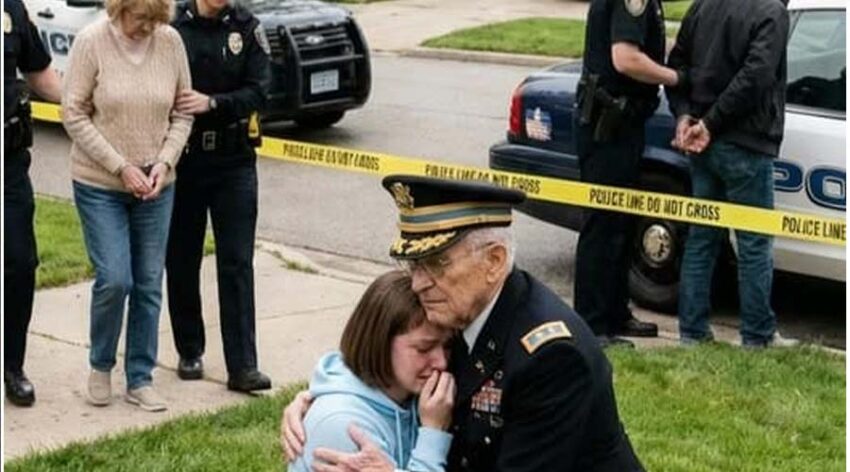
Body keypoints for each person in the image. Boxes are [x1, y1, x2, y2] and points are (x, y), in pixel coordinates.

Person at [284, 175, 644, 471]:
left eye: (437, 264)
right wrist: (326, 400)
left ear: (494, 262)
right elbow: (384, 348)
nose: (418, 283)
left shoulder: (551, 359)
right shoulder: (461, 313)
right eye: (414, 264)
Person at [62, 0, 193, 411]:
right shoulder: (91, 42)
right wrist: (121, 167)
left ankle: (140, 376)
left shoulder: (170, 42)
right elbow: (73, 113)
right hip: (100, 183)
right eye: (140, 18)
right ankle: (100, 365)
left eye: (156, 19)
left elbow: (183, 113)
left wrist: (165, 162)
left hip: (156, 186)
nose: (148, 27)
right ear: (120, 8)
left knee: (149, 282)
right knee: (116, 279)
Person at [666, 0, 796, 348]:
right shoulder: (771, 11)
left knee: (702, 239)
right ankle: (757, 336)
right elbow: (756, 77)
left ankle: (692, 333)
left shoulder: (704, 5)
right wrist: (709, 123)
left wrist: (685, 116)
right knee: (754, 243)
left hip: (702, 142)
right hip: (744, 142)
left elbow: (677, 65)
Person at [165, 0, 272, 392]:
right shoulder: (174, 27)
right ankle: (189, 349)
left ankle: (243, 366)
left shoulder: (246, 27)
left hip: (234, 161)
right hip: (186, 160)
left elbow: (261, 91)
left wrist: (213, 103)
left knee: (237, 262)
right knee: (182, 258)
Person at [573, 0, 686, 347]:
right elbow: (625, 59)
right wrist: (676, 77)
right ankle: (592, 325)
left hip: (623, 123)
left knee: (621, 223)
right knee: (603, 225)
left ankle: (615, 314)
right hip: (608, 127)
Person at [289, 270, 456, 472]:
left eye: (447, 346)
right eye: (423, 349)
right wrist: (433, 432)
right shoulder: (343, 425)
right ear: (380, 343)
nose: (441, 362)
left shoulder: (411, 395)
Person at [3, 0, 63, 407]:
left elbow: (39, 71)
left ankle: (13, 365)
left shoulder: (11, 8)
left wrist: (83, 100)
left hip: (8, 163)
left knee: (20, 263)